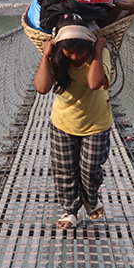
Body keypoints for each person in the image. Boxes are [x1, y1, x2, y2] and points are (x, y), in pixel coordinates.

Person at [33, 21, 114, 230]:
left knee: (90, 169)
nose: (75, 57)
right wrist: (46, 56)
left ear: (89, 45)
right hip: (63, 122)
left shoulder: (101, 55)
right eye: (69, 52)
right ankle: (71, 211)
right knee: (65, 171)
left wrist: (97, 52)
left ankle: (91, 199)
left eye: (80, 52)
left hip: (96, 123)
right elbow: (42, 88)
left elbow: (96, 83)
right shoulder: (58, 58)